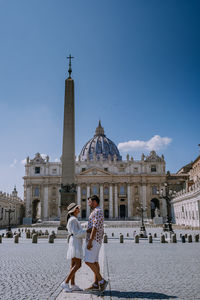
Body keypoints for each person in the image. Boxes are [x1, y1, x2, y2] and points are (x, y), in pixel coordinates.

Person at [60, 203, 86, 292]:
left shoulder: (73, 219)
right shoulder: (73, 220)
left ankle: (73, 284)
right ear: (74, 210)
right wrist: (87, 231)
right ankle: (66, 283)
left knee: (73, 265)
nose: (79, 210)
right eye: (78, 208)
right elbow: (77, 233)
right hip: (75, 242)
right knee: (78, 264)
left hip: (74, 241)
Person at [84, 195, 108, 292]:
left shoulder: (97, 211)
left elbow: (95, 227)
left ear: (94, 202)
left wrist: (90, 241)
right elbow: (92, 226)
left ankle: (101, 281)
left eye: (89, 202)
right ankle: (95, 283)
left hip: (94, 239)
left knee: (87, 261)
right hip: (95, 239)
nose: (88, 204)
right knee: (94, 261)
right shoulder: (95, 211)